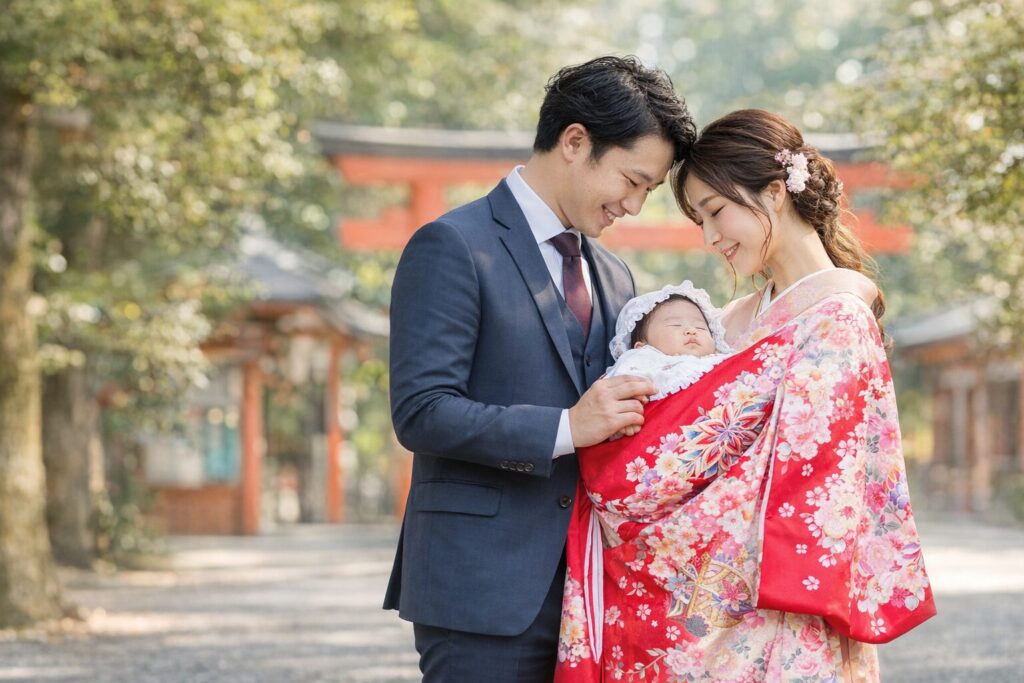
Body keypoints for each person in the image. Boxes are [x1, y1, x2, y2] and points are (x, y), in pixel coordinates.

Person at [554, 109, 936, 682]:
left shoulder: (838, 318)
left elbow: (811, 486)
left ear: (776, 192)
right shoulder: (728, 321)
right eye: (699, 220)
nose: (711, 238)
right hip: (713, 606)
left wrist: (637, 491)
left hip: (775, 611)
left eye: (715, 212)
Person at [383, 56, 697, 682]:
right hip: (481, 587)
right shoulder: (453, 245)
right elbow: (421, 411)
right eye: (632, 181)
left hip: (593, 591)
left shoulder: (614, 276)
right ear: (575, 141)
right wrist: (566, 427)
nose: (635, 205)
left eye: (649, 191)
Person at [604, 282, 733, 409]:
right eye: (676, 325)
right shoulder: (644, 359)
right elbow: (622, 383)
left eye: (700, 327)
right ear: (642, 347)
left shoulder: (723, 359)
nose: (692, 330)